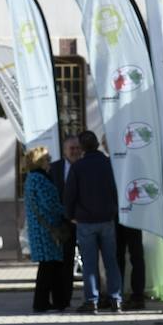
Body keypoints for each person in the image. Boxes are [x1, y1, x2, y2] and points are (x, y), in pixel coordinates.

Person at [63, 130, 123, 313]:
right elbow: (116, 189)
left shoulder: (78, 167)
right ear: (97, 144)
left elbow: (69, 194)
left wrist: (70, 215)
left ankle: (92, 301)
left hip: (85, 221)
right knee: (111, 261)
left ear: (81, 147)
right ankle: (116, 299)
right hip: (107, 219)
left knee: (89, 263)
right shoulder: (108, 164)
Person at [23, 146, 71, 310]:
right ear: (39, 162)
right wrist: (67, 212)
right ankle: (42, 302)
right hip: (46, 230)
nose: (50, 162)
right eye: (47, 159)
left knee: (51, 266)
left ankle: (56, 301)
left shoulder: (33, 177)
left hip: (41, 229)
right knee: (48, 266)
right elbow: (49, 203)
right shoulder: (39, 179)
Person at [47, 135, 84, 307]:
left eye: (78, 148)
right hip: (64, 223)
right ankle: (64, 298)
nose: (75, 151)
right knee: (65, 261)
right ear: (64, 151)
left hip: (85, 220)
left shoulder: (87, 166)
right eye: (72, 148)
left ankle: (94, 298)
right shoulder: (54, 168)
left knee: (91, 261)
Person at [115, 219, 147, 310]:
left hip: (127, 216)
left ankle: (118, 296)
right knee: (136, 257)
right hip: (133, 216)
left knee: (122, 257)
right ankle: (137, 297)